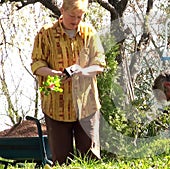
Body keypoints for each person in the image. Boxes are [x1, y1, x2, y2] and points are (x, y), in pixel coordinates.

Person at [31, 0, 106, 165]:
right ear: (62, 10)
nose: (76, 20)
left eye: (80, 16)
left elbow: (99, 63)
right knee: (61, 161)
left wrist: (83, 72)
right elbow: (37, 64)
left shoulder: (89, 33)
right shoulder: (45, 33)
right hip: (56, 107)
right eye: (72, 15)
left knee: (90, 159)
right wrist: (53, 73)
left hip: (87, 106)